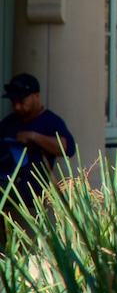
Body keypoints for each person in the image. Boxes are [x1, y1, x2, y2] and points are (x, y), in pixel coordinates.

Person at [0, 73, 76, 204]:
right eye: (14, 102)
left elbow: (67, 148)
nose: (17, 107)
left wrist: (34, 136)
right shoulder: (10, 122)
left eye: (22, 101)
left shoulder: (50, 121)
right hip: (6, 178)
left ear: (36, 96)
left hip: (30, 189)